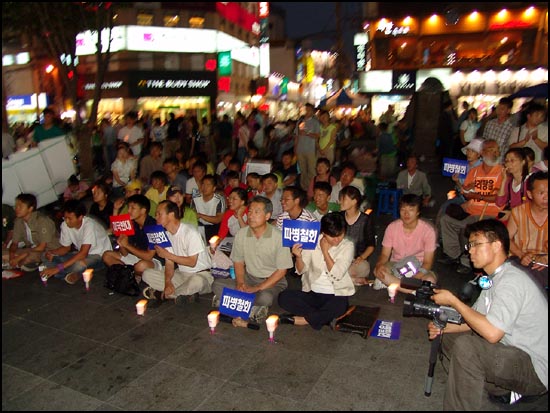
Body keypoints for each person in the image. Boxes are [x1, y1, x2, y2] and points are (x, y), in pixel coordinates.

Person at [427, 219, 548, 410]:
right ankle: (499, 393)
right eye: (470, 245)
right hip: (512, 352)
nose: (470, 250)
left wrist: (454, 301)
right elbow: (475, 319)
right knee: (450, 338)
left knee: (467, 347)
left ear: (497, 245)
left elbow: (492, 333)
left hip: (535, 370)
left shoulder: (511, 281)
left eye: (476, 244)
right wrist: (445, 328)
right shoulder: (493, 278)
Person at [211, 196, 293, 323]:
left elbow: (282, 271)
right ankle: (250, 306)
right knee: (216, 285)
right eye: (249, 211)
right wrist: (240, 282)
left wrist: (258, 287)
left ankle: (234, 301)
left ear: (267, 216)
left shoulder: (278, 237)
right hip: (249, 277)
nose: (251, 216)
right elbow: (238, 261)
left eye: (256, 212)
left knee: (266, 297)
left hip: (272, 281)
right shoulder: (242, 233)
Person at [277, 213, 355, 329]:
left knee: (339, 305)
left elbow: (337, 274)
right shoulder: (312, 241)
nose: (337, 240)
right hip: (313, 293)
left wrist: (325, 252)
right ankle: (324, 318)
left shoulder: (348, 246)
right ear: (323, 233)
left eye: (341, 235)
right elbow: (301, 270)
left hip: (336, 293)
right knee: (283, 298)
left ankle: (303, 320)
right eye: (333, 236)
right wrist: (298, 257)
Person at [439, 139, 505, 273]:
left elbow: (498, 198)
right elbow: (467, 193)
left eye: (496, 151)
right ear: (482, 153)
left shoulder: (501, 172)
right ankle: (454, 254)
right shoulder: (475, 171)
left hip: (490, 212)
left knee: (467, 228)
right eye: (490, 150)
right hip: (471, 209)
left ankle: (467, 261)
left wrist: (478, 195)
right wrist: (463, 186)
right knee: (446, 220)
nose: (495, 153)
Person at [141, 200, 213, 305]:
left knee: (197, 282)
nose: (156, 217)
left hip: (201, 274)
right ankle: (179, 294)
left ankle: (163, 295)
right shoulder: (166, 235)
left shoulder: (190, 232)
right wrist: (168, 283)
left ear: (171, 215)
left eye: (159, 214)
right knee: (147, 274)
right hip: (181, 274)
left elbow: (192, 262)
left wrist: (168, 255)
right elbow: (169, 264)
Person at [373, 194, 437, 291]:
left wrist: (415, 278)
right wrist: (379, 265)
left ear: (418, 212)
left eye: (411, 210)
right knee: (378, 271)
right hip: (395, 265)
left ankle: (393, 284)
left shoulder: (428, 231)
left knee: (430, 280)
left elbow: (427, 262)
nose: (406, 214)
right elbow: (384, 255)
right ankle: (411, 290)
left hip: (417, 267)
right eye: (403, 210)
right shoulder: (392, 227)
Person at [40, 200, 112, 284]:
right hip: (81, 254)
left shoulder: (89, 225)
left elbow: (83, 253)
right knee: (44, 255)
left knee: (78, 265)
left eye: (70, 218)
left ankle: (62, 271)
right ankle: (70, 273)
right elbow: (66, 248)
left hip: (99, 256)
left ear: (80, 217)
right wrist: (52, 252)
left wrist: (57, 268)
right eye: (65, 218)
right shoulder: (65, 225)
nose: (67, 221)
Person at [102, 194, 161, 278]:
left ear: (143, 210)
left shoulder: (153, 227)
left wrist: (127, 245)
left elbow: (148, 256)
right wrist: (122, 243)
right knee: (107, 255)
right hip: (135, 258)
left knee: (141, 266)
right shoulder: (131, 223)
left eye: (133, 208)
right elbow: (124, 254)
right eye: (128, 207)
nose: (129, 211)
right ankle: (128, 275)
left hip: (152, 261)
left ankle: (128, 274)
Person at [506, 171, 548, 290]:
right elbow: (506, 238)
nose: (546, 197)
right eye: (541, 193)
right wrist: (521, 255)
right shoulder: (518, 212)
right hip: (521, 258)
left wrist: (546, 258)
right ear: (529, 194)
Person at [8, 193, 61, 271]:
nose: (17, 209)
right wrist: (11, 256)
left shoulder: (42, 221)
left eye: (20, 206)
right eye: (16, 206)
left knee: (27, 258)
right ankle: (20, 262)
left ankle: (34, 263)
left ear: (30, 209)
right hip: (31, 249)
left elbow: (42, 247)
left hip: (49, 249)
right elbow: (14, 243)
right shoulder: (18, 221)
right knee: (7, 253)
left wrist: (20, 256)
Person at [337, 186, 376, 287]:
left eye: (343, 199)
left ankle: (340, 279)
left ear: (354, 201)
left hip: (357, 261)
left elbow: (371, 245)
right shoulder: (338, 217)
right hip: (339, 258)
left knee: (363, 267)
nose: (339, 201)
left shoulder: (365, 219)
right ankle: (353, 280)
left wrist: (361, 258)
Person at [495, 148, 530, 222]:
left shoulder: (530, 181)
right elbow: (499, 203)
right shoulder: (509, 182)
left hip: (526, 219)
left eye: (512, 160)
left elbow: (533, 207)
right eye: (506, 161)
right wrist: (504, 180)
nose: (508, 164)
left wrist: (512, 213)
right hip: (514, 217)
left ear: (523, 162)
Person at [190, 174, 226, 242]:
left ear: (214, 188)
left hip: (214, 227)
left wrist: (200, 215)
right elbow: (193, 215)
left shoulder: (219, 200)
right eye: (203, 184)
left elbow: (218, 219)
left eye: (208, 185)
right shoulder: (195, 198)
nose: (205, 187)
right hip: (199, 226)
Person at [294, 103, 321, 190]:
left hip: (310, 149)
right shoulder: (300, 121)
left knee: (312, 170)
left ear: (313, 112)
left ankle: (312, 188)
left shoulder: (315, 122)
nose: (307, 111)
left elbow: (317, 135)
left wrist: (307, 134)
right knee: (302, 170)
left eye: (309, 110)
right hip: (300, 149)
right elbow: (297, 136)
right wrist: (295, 147)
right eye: (306, 109)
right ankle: (304, 188)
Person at [482, 97, 514, 162]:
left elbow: (510, 146)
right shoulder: (490, 123)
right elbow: (484, 140)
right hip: (487, 159)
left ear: (508, 111)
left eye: (502, 109)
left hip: (500, 161)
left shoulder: (511, 127)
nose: (499, 111)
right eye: (498, 108)